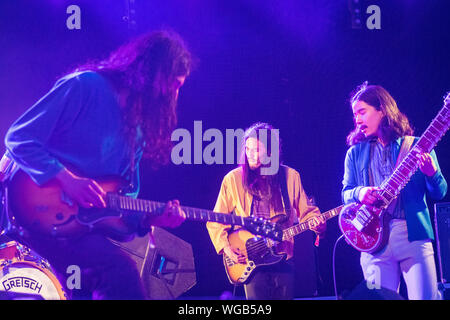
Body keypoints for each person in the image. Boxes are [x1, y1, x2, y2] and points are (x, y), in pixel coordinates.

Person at [0, 30, 192, 299]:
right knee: (117, 274)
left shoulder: (137, 128)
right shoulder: (84, 86)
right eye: (169, 85)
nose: (171, 97)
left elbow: (120, 204)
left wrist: (151, 218)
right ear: (148, 72)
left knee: (123, 276)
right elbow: (19, 137)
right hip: (33, 214)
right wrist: (68, 180)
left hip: (78, 231)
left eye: (178, 89)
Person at [341, 82, 447, 300]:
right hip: (372, 239)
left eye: (362, 112)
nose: (357, 119)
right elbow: (346, 192)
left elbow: (440, 192)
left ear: (382, 110)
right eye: (355, 115)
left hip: (413, 235)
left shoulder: (417, 146)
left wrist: (431, 172)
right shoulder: (354, 153)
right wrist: (360, 193)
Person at [207, 122, 326, 300]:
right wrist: (226, 248)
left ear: (271, 152)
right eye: (247, 149)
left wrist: (318, 225)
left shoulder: (290, 176)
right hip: (251, 262)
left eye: (256, 150)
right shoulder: (232, 179)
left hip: (283, 257)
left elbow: (307, 212)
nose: (250, 155)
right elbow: (216, 221)